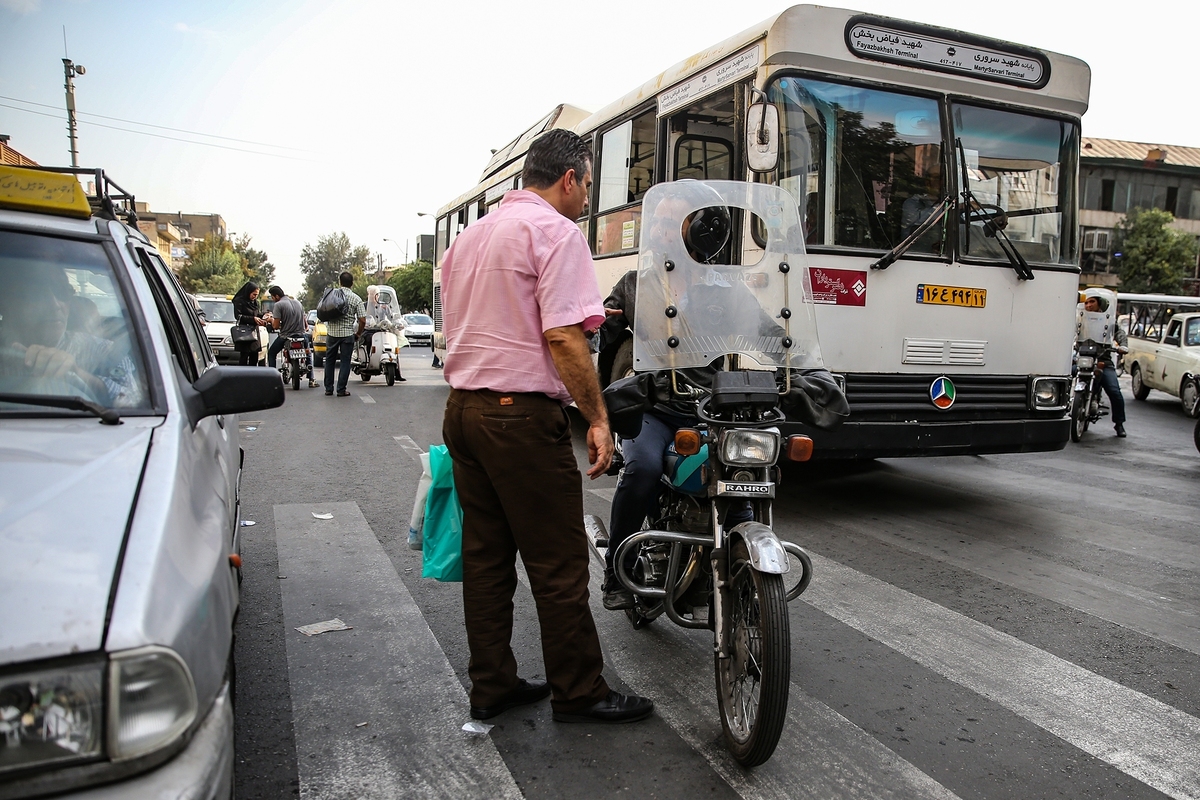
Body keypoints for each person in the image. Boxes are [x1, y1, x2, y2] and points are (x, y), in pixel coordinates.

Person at [440, 128, 653, 724]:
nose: (587, 199)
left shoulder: (472, 236)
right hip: (520, 421)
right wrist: (598, 418)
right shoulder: (556, 233)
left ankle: (494, 685)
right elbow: (561, 336)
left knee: (486, 562)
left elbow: (496, 317)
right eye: (588, 185)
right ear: (570, 179)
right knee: (558, 563)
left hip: (464, 411)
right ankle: (579, 690)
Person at [0, 263, 143, 407]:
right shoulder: (4, 351)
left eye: (62, 292)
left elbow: (137, 404)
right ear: (9, 304)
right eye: (37, 294)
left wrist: (76, 374)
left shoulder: (104, 351)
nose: (54, 305)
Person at [1083, 294, 1128, 437]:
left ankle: (1119, 423)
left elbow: (1119, 333)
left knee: (1114, 391)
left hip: (1103, 361)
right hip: (1082, 360)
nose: (1088, 305)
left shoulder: (1108, 321)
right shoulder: (1080, 319)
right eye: (1086, 302)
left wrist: (1123, 346)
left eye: (1092, 302)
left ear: (1099, 303)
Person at [322, 271, 366, 397]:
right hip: (347, 335)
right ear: (352, 284)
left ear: (339, 282)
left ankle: (328, 389)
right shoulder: (356, 298)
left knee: (329, 361)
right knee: (345, 362)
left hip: (332, 334)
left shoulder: (332, 295)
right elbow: (362, 320)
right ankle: (341, 389)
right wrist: (358, 333)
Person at [266, 285, 317, 387]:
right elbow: (305, 322)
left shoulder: (278, 305)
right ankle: (311, 379)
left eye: (272, 297)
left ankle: (272, 378)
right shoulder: (298, 303)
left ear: (276, 296)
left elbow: (275, 326)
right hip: (302, 335)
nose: (273, 299)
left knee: (271, 353)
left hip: (286, 336)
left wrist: (270, 320)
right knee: (308, 353)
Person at [231, 281, 266, 366]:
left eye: (257, 295)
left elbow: (257, 313)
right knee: (244, 357)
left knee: (254, 357)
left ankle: (253, 377)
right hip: (244, 333)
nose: (255, 297)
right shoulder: (239, 301)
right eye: (254, 294)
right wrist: (253, 319)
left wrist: (265, 316)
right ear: (248, 292)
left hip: (254, 333)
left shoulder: (255, 302)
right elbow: (238, 316)